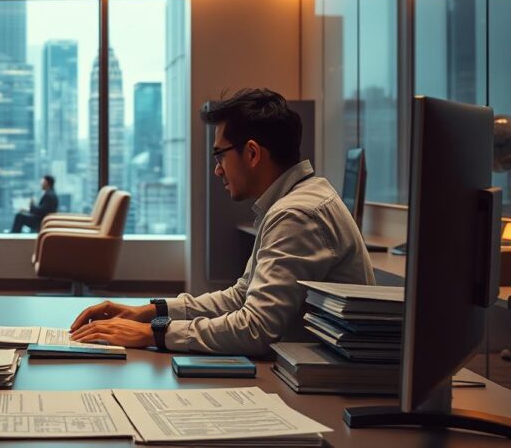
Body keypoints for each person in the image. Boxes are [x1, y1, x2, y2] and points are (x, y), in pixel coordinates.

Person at [70, 88, 374, 356]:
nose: (217, 170)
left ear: (252, 153)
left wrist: (154, 332)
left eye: (220, 156)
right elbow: (241, 296)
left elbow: (255, 328)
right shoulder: (294, 201)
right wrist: (149, 312)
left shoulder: (296, 215)